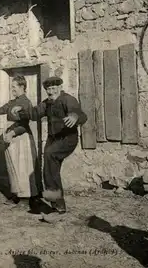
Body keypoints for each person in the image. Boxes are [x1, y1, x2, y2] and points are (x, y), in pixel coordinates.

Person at [13, 76, 87, 214]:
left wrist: (74, 117)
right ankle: (57, 205)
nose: (51, 92)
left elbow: (81, 114)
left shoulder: (68, 99)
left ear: (60, 88)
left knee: (49, 155)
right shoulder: (47, 103)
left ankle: (56, 203)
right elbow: (34, 114)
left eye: (53, 88)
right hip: (53, 139)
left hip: (67, 138)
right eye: (48, 89)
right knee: (49, 169)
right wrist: (21, 110)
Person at [0, 76, 40, 209]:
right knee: (13, 167)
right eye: (12, 87)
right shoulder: (12, 102)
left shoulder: (26, 102)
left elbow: (24, 124)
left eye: (14, 86)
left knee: (23, 168)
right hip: (12, 139)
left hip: (21, 137)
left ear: (22, 87)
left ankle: (26, 198)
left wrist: (12, 133)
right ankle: (17, 194)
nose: (12, 89)